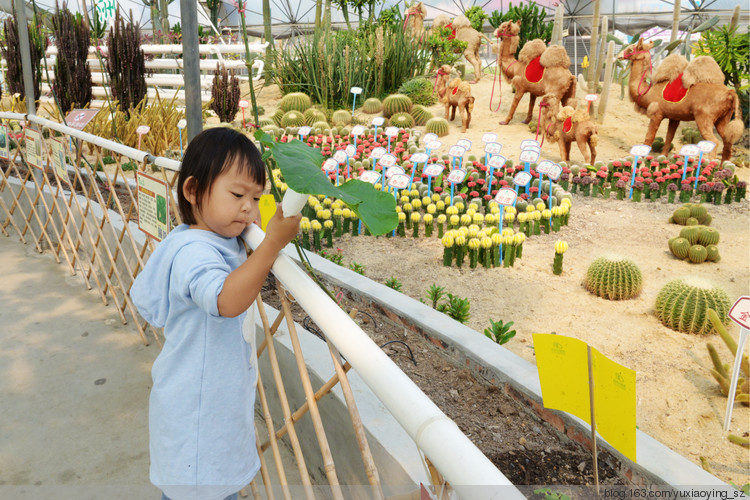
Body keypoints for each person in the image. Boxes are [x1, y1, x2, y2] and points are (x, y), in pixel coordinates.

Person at [130, 127, 302, 500]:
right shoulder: (194, 251)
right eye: (238, 194)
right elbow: (225, 301)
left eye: (256, 198)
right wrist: (270, 244)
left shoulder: (215, 238)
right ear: (192, 191)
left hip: (206, 412)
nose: (248, 208)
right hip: (195, 420)